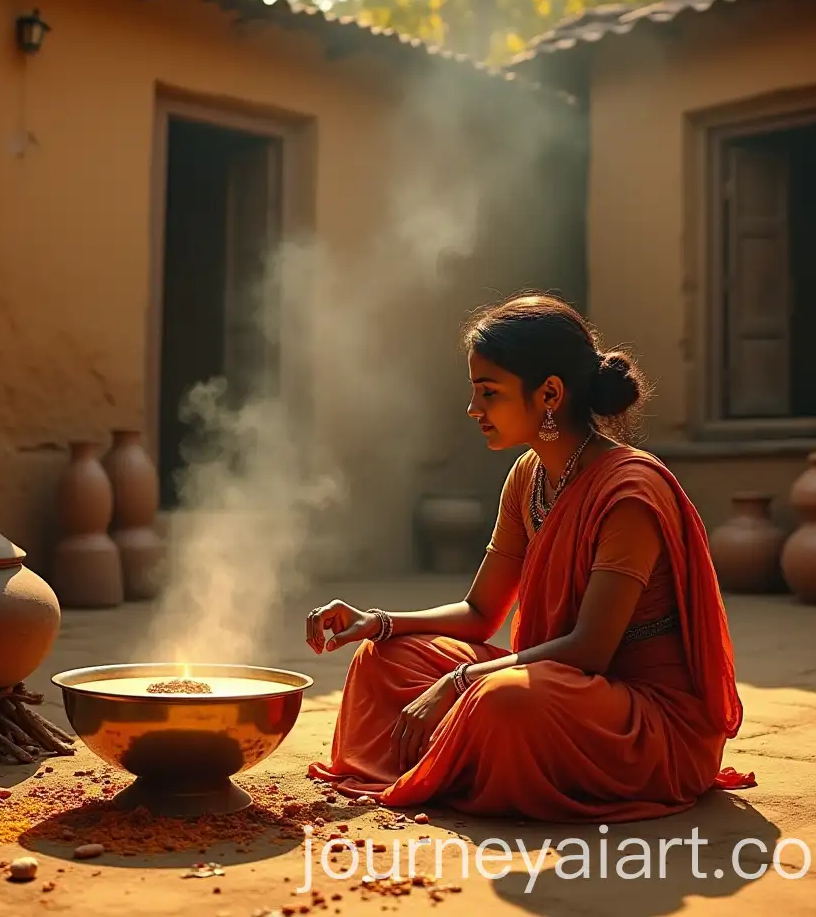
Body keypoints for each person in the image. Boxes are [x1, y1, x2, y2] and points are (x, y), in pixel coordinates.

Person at [304, 292, 751, 822]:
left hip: (641, 717)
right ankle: (459, 755)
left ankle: (457, 755)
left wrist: (459, 682)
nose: (473, 410)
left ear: (549, 395)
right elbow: (479, 613)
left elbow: (589, 650)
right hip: (565, 686)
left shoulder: (629, 492)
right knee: (383, 658)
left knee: (503, 701)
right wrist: (377, 622)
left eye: (488, 393)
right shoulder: (528, 477)